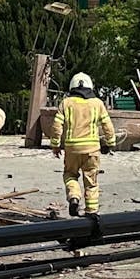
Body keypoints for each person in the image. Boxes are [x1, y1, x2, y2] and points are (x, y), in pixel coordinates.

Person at [50, 72, 115, 217]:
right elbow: (107, 125)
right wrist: (110, 143)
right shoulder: (97, 103)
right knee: (91, 181)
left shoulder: (66, 103)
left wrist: (55, 145)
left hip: (72, 149)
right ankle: (91, 212)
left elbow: (56, 125)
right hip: (92, 149)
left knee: (70, 174)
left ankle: (74, 196)